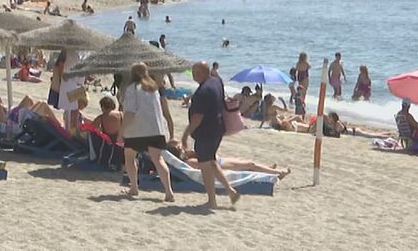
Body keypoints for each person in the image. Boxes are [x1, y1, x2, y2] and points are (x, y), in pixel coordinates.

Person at [182, 62, 240, 208]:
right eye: (193, 72)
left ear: (204, 72)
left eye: (196, 72)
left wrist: (185, 135)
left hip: (206, 133)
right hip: (218, 128)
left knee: (205, 166)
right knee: (212, 162)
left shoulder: (203, 92)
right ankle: (231, 191)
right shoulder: (216, 81)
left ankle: (211, 201)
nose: (194, 75)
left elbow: (197, 119)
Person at [119, 63, 174, 202]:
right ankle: (168, 192)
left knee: (130, 157)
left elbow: (130, 112)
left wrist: (122, 130)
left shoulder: (132, 89)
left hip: (136, 130)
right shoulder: (154, 89)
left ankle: (134, 188)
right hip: (155, 129)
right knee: (158, 160)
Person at [166, 139, 291, 179]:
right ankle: (278, 173)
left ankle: (268, 169)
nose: (183, 146)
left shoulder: (188, 158)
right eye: (179, 146)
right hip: (220, 165)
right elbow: (206, 164)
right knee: (250, 164)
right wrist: (195, 153)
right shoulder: (189, 161)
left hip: (220, 161)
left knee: (246, 161)